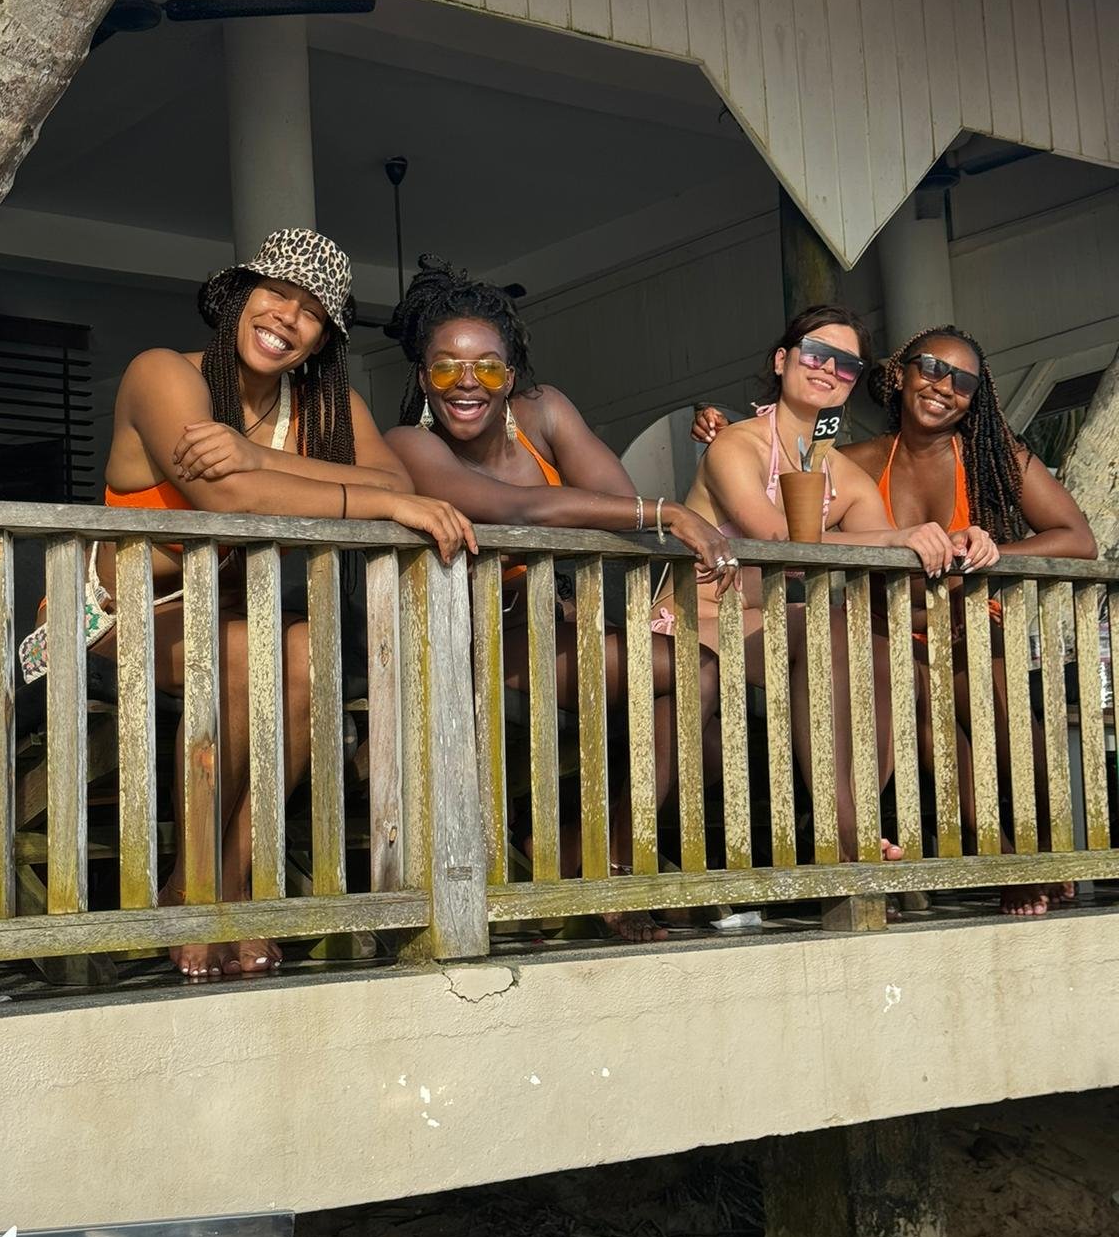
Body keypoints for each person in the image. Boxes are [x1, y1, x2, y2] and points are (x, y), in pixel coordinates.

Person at [92, 229, 476, 981]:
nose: (287, 318)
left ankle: (233, 882)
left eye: (312, 312)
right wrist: (359, 501)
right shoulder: (163, 373)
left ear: (323, 339)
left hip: (233, 617)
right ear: (237, 296)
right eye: (276, 294)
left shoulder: (319, 408)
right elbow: (222, 496)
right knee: (253, 646)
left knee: (300, 647)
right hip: (120, 616)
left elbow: (402, 486)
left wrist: (260, 454)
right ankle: (195, 881)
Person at [384, 257, 738, 942]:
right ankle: (596, 855)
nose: (467, 383)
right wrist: (666, 512)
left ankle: (603, 847)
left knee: (697, 676)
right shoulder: (407, 444)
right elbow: (518, 508)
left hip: (554, 629)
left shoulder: (544, 412)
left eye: (487, 367)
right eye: (446, 367)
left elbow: (608, 499)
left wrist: (647, 515)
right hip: (466, 635)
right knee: (689, 675)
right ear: (423, 377)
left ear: (510, 375)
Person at [692, 323, 1097, 913]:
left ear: (975, 397)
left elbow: (1078, 539)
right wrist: (719, 428)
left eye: (962, 380)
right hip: (889, 627)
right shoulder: (854, 461)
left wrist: (985, 553)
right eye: (931, 367)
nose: (942, 386)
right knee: (927, 723)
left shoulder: (994, 456)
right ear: (899, 375)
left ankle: (1049, 851)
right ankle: (1004, 858)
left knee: (1002, 713)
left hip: (963, 624)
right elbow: (794, 499)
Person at [673, 305, 956, 865]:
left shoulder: (847, 477)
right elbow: (774, 538)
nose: (829, 369)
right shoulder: (736, 444)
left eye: (846, 365)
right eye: (816, 354)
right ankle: (844, 831)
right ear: (782, 361)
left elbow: (887, 559)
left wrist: (965, 542)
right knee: (828, 624)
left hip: (769, 626)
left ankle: (844, 819)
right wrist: (898, 538)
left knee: (878, 642)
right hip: (694, 619)